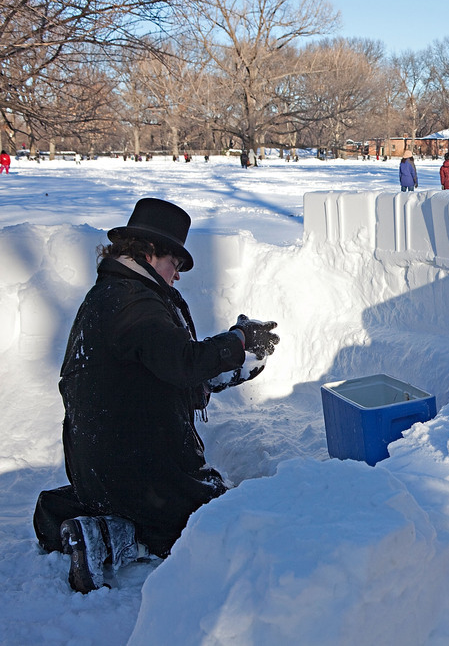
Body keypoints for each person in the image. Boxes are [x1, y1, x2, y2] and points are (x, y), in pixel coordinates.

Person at [32, 198, 280, 593]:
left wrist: (220, 375)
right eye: (174, 264)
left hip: (98, 467)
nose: (177, 276)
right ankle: (110, 538)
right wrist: (237, 341)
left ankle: (93, 519)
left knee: (109, 499)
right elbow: (181, 362)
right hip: (135, 465)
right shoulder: (133, 302)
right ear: (148, 253)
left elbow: (154, 378)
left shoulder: (111, 296)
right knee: (214, 516)